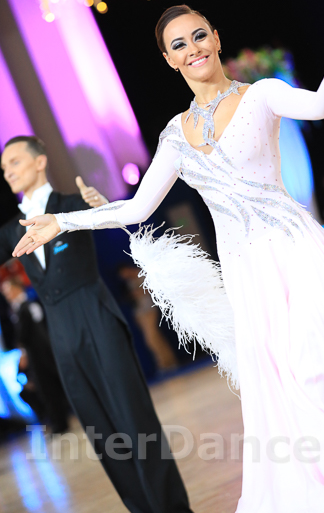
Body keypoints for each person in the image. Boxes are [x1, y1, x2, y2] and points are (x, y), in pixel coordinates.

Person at [12, 0, 324, 513]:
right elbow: (138, 207)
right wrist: (64, 221)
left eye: (199, 35)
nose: (193, 49)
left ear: (216, 38)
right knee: (305, 402)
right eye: (179, 45)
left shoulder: (261, 95)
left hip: (302, 259)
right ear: (168, 59)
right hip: (250, 280)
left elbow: (323, 104)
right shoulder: (174, 136)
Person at [0, 137, 193, 513]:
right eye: (4, 167)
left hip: (97, 318)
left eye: (15, 162)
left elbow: (117, 217)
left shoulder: (74, 203)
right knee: (101, 432)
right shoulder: (11, 230)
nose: (8, 171)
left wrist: (102, 204)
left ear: (40, 162)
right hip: (61, 336)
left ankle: (173, 508)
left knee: (135, 418)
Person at [1, 276, 69, 434]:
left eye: (8, 291)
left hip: (41, 354)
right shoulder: (18, 309)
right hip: (36, 354)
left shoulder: (29, 305)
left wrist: (23, 351)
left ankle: (61, 422)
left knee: (50, 387)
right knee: (44, 389)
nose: (7, 295)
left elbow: (28, 333)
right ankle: (57, 421)